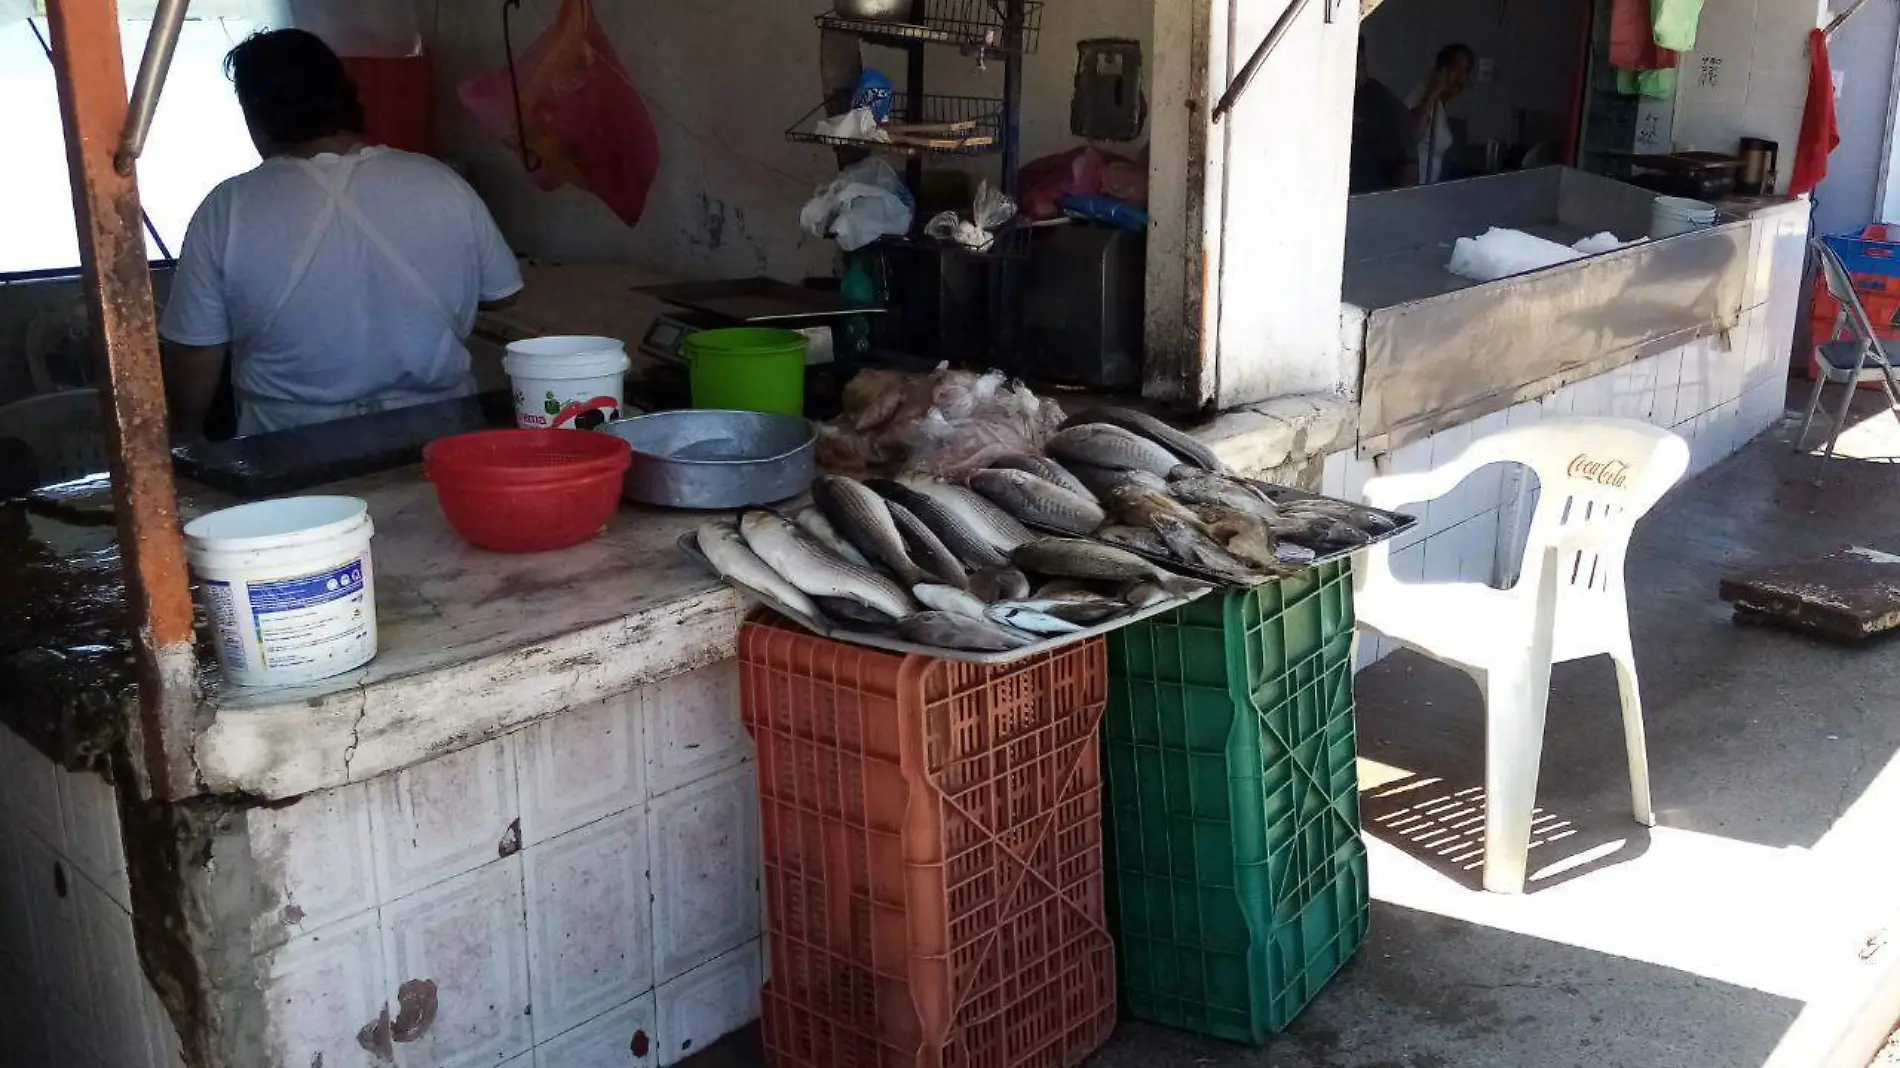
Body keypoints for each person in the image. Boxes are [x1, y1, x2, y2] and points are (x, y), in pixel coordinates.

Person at [161, 29, 524, 438]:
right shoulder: (440, 182)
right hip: (438, 433)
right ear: (345, 96)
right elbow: (503, 292)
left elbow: (195, 351)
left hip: (291, 447)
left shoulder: (228, 207)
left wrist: (185, 439)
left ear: (255, 115)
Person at [1350, 41, 1416, 194]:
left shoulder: (1384, 104)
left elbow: (1408, 170)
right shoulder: (1337, 98)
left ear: (1361, 59)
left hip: (1371, 201)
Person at [1408, 43, 1475, 185]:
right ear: (1441, 70)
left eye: (1466, 70)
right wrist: (1432, 94)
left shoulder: (1440, 105)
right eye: (1456, 68)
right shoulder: (1421, 97)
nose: (1461, 77)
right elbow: (1411, 135)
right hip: (1416, 187)